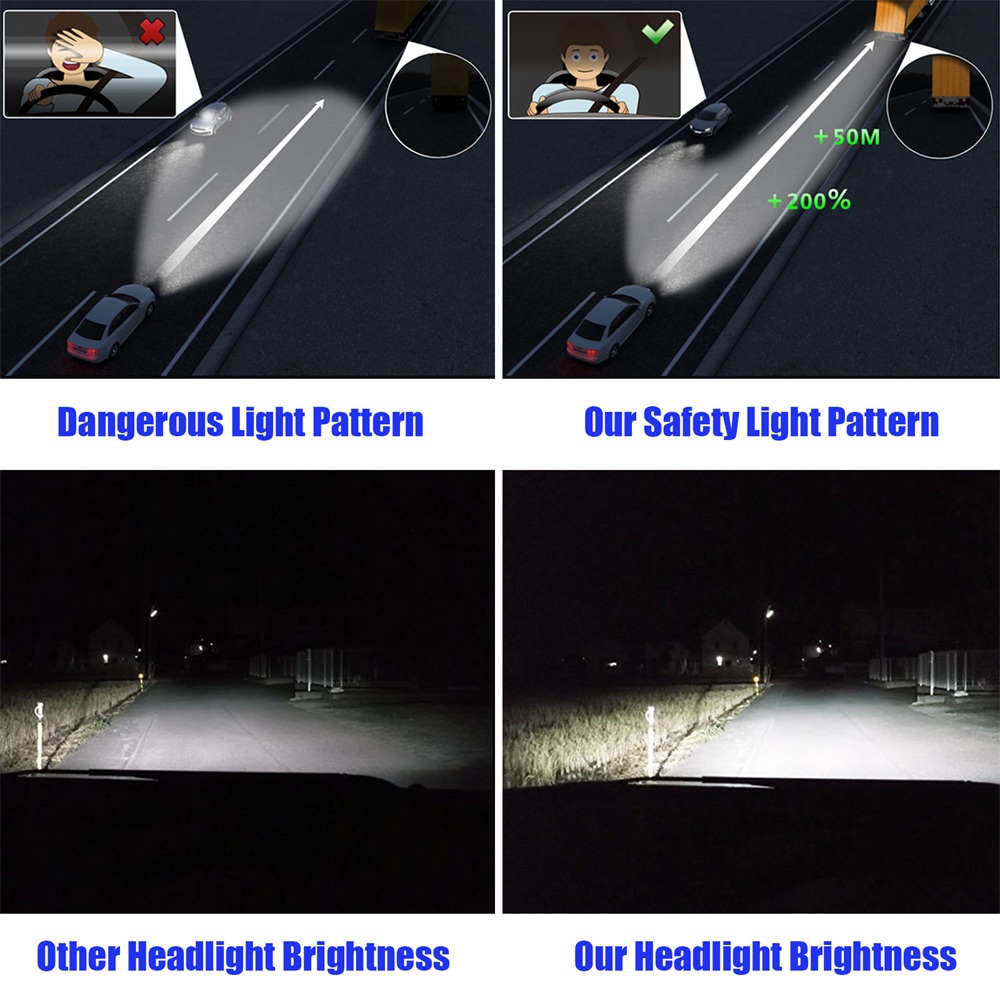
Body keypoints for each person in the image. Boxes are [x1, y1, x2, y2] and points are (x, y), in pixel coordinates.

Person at [21, 11, 167, 114]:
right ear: (50, 51)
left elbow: (157, 76)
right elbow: (26, 130)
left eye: (79, 49)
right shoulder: (38, 87)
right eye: (63, 49)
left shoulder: (115, 89)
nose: (71, 57)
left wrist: (101, 55)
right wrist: (42, 105)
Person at [526, 16, 639, 115]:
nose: (585, 64)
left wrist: (621, 117)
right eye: (576, 57)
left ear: (605, 57)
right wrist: (538, 116)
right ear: (564, 58)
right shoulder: (544, 93)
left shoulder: (623, 93)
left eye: (593, 57)